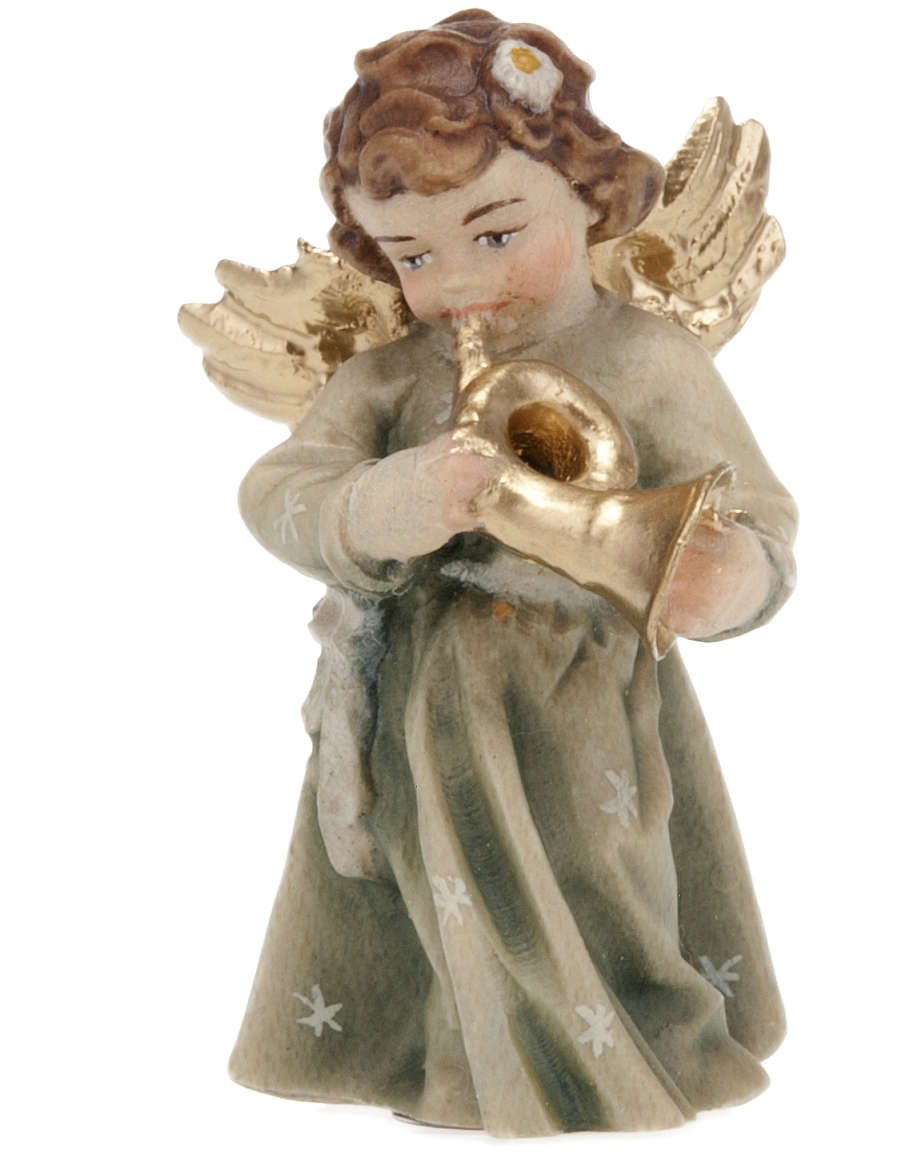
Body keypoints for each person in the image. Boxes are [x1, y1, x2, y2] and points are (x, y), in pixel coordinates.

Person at [230, 9, 797, 1136]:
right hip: (428, 702)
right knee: (447, 889)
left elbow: (760, 518)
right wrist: (382, 504)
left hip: (592, 697)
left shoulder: (649, 356)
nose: (460, 283)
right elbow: (276, 490)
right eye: (413, 257)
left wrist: (727, 577)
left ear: (586, 194)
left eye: (496, 234)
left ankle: (623, 1051)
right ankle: (470, 1070)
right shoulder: (394, 374)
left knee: (607, 877)